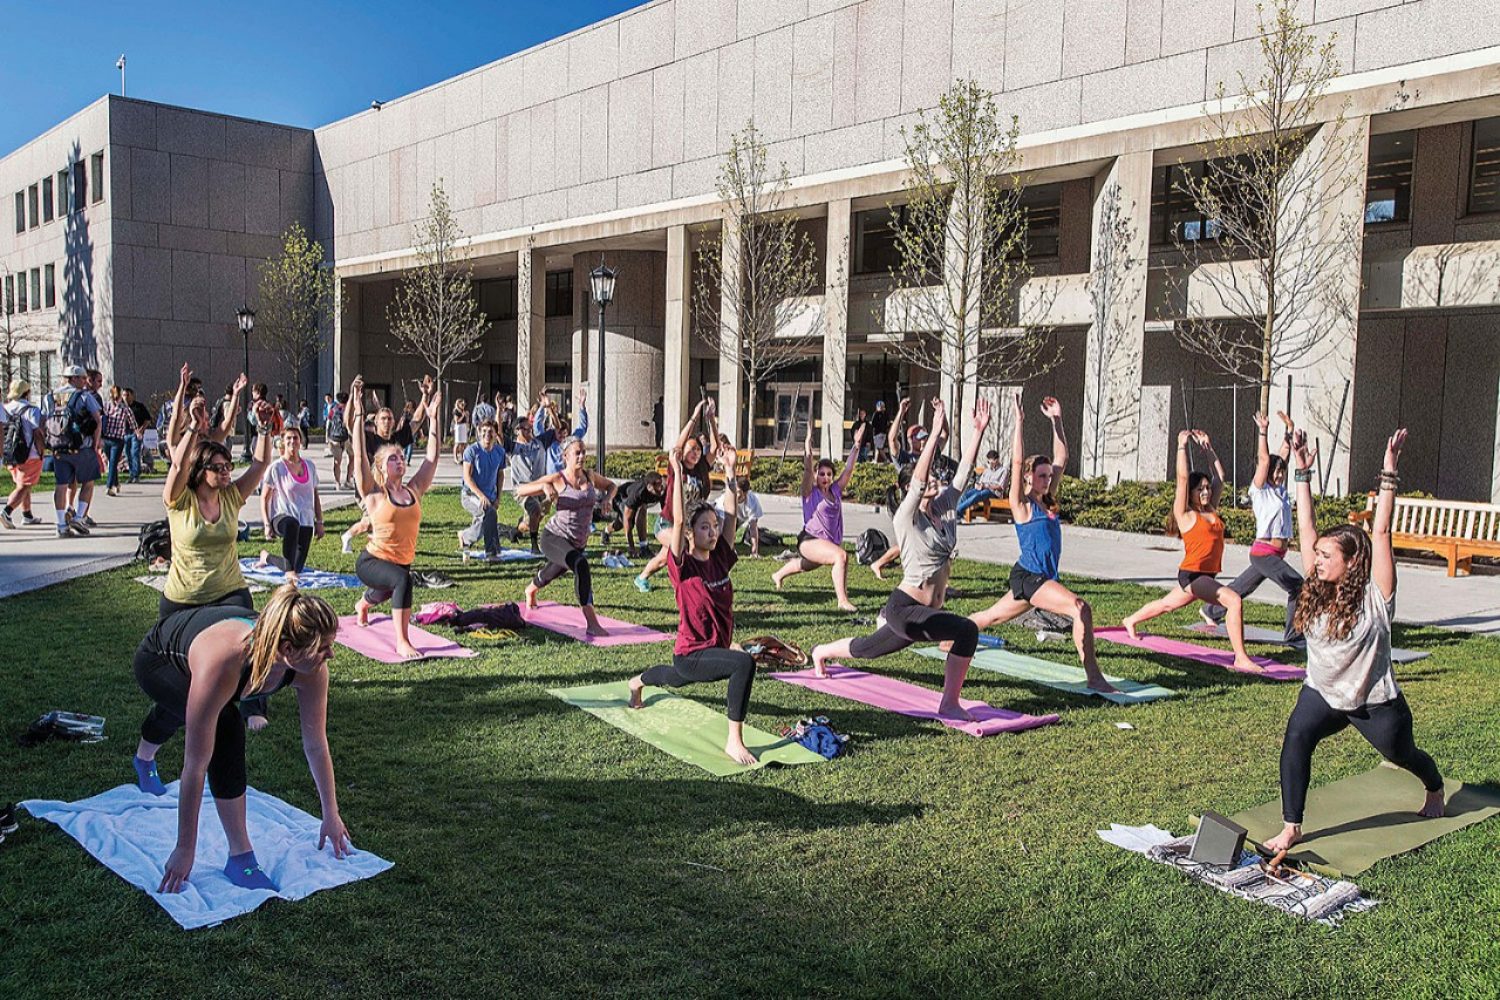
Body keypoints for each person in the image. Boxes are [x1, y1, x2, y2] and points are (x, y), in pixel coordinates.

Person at [1262, 427, 1444, 855]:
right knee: (1297, 736)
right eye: (1318, 555)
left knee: (1404, 754)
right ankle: (1292, 826)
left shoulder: (1377, 596)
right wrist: (1302, 474)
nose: (1318, 560)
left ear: (1351, 563)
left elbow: (1380, 533)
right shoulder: (1317, 585)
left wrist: (1389, 470)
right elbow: (1306, 529)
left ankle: (1434, 787)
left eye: (1328, 556)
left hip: (1373, 700)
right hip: (1323, 692)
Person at [132, 586, 352, 894]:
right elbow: (195, 765)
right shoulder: (225, 661)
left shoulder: (312, 670)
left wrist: (331, 813)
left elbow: (315, 742)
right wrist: (185, 848)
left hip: (207, 656)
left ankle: (147, 754)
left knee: (196, 711)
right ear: (287, 650)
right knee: (224, 724)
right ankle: (241, 856)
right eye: (323, 647)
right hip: (159, 660)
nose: (331, 654)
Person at [809, 399, 984, 720]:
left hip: (924, 612)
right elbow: (919, 480)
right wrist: (932, 435)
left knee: (867, 649)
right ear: (907, 488)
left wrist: (977, 432)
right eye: (926, 479)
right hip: (905, 609)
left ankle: (821, 652)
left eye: (934, 478)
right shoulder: (906, 516)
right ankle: (950, 703)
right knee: (967, 631)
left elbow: (962, 476)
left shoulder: (943, 508)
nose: (933, 481)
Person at [957, 395, 1117, 693]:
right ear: (1029, 477)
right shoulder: (1023, 504)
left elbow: (1063, 458)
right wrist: (1019, 422)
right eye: (1041, 476)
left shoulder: (1048, 502)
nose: (1048, 479)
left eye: (1049, 476)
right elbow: (1017, 462)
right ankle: (1094, 677)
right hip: (1031, 577)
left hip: (1034, 578)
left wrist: (1057, 420)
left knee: (990, 616)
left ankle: (949, 637)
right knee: (1081, 608)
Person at [627, 441, 760, 765]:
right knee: (740, 665)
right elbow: (680, 518)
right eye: (705, 527)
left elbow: (730, 513)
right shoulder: (682, 565)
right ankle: (734, 741)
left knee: (673, 679)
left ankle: (636, 682)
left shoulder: (721, 559)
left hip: (712, 649)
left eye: (714, 528)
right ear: (690, 533)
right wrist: (675, 471)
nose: (713, 533)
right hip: (692, 653)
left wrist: (729, 471)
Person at [1121, 428, 1260, 672]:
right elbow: (1183, 479)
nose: (1206, 492)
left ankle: (1130, 620)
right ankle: (1240, 657)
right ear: (1191, 494)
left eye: (1206, 488)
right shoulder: (1185, 515)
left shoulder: (1211, 509)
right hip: (1193, 575)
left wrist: (1208, 448)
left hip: (1207, 575)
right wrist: (1182, 446)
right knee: (1233, 601)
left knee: (1166, 605)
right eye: (1201, 489)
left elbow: (1220, 477)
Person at [160, 364, 278, 620]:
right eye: (218, 468)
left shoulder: (230, 497)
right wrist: (191, 423)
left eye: (228, 466)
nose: (226, 472)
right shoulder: (179, 500)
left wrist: (265, 428)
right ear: (202, 470)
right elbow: (179, 464)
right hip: (184, 599)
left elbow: (260, 464)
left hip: (229, 591)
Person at [349, 374, 442, 660]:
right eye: (392, 458)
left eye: (401, 457)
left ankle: (362, 605)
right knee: (402, 582)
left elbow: (431, 459)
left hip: (400, 561)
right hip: (371, 561)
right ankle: (402, 641)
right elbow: (358, 452)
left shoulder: (414, 490)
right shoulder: (374, 494)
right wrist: (359, 412)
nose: (399, 460)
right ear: (381, 466)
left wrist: (434, 419)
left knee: (389, 588)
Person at [1203, 412, 1303, 644]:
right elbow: (1266, 459)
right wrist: (1263, 431)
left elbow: (1282, 456)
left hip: (1274, 553)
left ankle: (1211, 611)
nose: (1279, 475)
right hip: (1264, 552)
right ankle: (1294, 636)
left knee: (1241, 589)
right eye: (1276, 472)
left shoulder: (1278, 490)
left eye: (1282, 472)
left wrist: (1289, 429)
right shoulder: (1260, 490)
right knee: (1298, 586)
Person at [517, 438, 617, 636]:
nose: (581, 456)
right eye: (576, 453)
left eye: (583, 452)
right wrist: (545, 488)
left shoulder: (590, 476)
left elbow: (612, 486)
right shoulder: (557, 479)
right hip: (553, 538)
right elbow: (519, 490)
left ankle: (531, 589)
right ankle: (592, 623)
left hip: (577, 542)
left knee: (551, 572)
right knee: (581, 565)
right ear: (565, 457)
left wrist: (607, 499)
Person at [771, 416, 866, 612]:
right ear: (816, 476)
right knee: (841, 556)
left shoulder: (835, 491)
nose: (825, 477)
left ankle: (778, 575)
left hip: (826, 541)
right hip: (809, 540)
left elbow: (848, 470)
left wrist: (856, 445)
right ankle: (842, 600)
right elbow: (807, 468)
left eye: (829, 474)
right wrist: (808, 446)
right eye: (821, 474)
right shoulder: (809, 492)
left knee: (805, 565)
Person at [635, 398, 717, 592]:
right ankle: (692, 584)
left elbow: (714, 447)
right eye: (691, 449)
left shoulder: (703, 468)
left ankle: (642, 577)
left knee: (665, 556)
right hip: (667, 523)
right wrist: (695, 417)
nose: (695, 453)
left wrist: (711, 419)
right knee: (688, 545)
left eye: (698, 449)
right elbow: (678, 446)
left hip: (688, 523)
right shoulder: (676, 467)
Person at [340, 378, 431, 553]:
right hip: (369, 487)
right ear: (376, 423)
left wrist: (425, 396)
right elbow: (349, 423)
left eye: (390, 418)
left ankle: (368, 540)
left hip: (389, 489)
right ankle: (351, 537)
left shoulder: (397, 439)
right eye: (383, 419)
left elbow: (417, 420)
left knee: (379, 520)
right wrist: (353, 398)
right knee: (373, 519)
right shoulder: (369, 438)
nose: (387, 422)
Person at [42, 365, 103, 538]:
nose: (85, 382)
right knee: (88, 482)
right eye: (82, 378)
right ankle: (78, 517)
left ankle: (61, 524)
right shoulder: (84, 396)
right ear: (73, 379)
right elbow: (98, 420)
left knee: (61, 485)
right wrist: (96, 443)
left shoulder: (50, 397)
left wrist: (46, 444)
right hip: (82, 447)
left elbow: (42, 423)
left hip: (59, 447)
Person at [260, 425, 325, 584]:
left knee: (298, 567)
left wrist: (319, 522)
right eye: (288, 438)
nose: (292, 441)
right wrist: (267, 524)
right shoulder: (276, 468)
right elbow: (264, 498)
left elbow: (315, 495)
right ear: (282, 442)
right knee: (292, 524)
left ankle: (267, 557)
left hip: (306, 520)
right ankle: (289, 571)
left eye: (295, 437)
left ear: (300, 441)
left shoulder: (309, 466)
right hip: (281, 518)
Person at [459, 419, 506, 558]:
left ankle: (466, 537)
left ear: (496, 434)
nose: (487, 434)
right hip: (470, 495)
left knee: (488, 516)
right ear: (479, 433)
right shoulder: (472, 451)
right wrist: (481, 496)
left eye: (490, 431)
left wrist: (498, 497)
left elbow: (500, 475)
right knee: (489, 513)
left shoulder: (500, 452)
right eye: (484, 431)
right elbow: (467, 478)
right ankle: (491, 553)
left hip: (490, 496)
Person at [3, 379, 44, 528]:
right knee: (24, 486)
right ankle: (6, 511)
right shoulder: (31, 410)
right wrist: (41, 451)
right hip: (29, 453)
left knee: (23, 483)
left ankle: (27, 515)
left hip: (10, 453)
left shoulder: (5, 408)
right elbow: (37, 433)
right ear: (26, 393)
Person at [611, 472, 666, 557]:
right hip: (621, 496)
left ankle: (643, 548)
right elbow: (627, 519)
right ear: (649, 487)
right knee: (625, 523)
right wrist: (631, 547)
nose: (660, 488)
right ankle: (643, 547)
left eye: (661, 484)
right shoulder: (638, 493)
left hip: (638, 501)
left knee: (641, 508)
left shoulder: (663, 490)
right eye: (657, 485)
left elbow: (666, 513)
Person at [101, 385, 139, 497]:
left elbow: (133, 423)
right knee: (110, 462)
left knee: (113, 463)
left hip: (118, 440)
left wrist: (137, 432)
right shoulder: (106, 406)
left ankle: (109, 486)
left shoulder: (125, 409)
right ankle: (116, 483)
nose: (116, 399)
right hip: (107, 438)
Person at [717, 476, 764, 556]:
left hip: (737, 519)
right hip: (720, 517)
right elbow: (720, 527)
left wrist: (754, 551)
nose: (734, 493)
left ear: (745, 493)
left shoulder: (752, 501)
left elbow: (753, 527)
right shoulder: (724, 500)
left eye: (737, 491)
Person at [956, 449, 1009, 516]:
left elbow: (1001, 487)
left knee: (976, 495)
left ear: (997, 460)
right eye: (988, 462)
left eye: (991, 462)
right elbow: (980, 481)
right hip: (982, 489)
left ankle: (958, 512)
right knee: (965, 495)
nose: (989, 464)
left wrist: (986, 486)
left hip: (993, 492)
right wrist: (978, 485)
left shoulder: (1003, 470)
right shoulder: (987, 470)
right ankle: (956, 513)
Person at [124, 387, 152, 484]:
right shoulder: (122, 407)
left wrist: (141, 429)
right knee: (127, 454)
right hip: (125, 433)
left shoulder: (139, 407)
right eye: (124, 395)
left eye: (127, 395)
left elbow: (147, 419)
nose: (125, 397)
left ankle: (136, 474)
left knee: (134, 453)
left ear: (132, 396)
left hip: (136, 433)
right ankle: (131, 474)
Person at [326, 391, 351, 490]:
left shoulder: (333, 409)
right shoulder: (349, 409)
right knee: (352, 458)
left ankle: (337, 483)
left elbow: (329, 423)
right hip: (348, 437)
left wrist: (327, 437)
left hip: (335, 438)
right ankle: (348, 480)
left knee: (337, 462)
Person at [451, 397, 470, 463]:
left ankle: (462, 456)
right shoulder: (456, 411)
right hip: (459, 427)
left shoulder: (464, 411)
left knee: (463, 443)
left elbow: (466, 420)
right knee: (457, 443)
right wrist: (462, 415)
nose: (463, 405)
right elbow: (457, 421)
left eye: (463, 404)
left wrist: (467, 417)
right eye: (461, 404)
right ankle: (455, 458)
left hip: (463, 427)